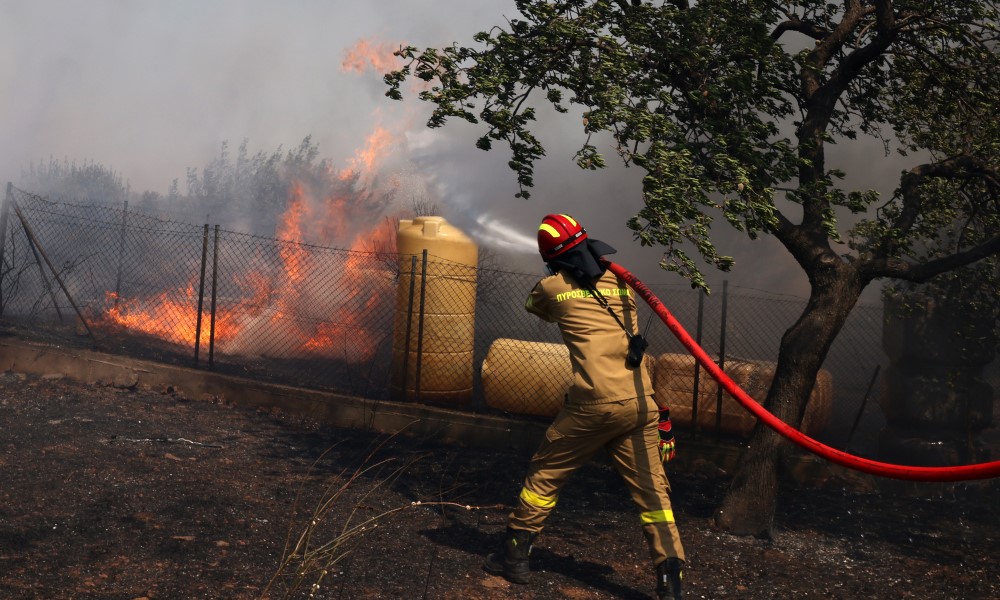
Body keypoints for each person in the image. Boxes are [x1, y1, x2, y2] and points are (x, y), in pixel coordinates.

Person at [483, 213, 686, 599]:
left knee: (545, 475)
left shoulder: (550, 287)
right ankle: (670, 580)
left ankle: (513, 556)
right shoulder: (623, 283)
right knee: (654, 495)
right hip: (642, 403)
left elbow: (536, 306)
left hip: (594, 404)